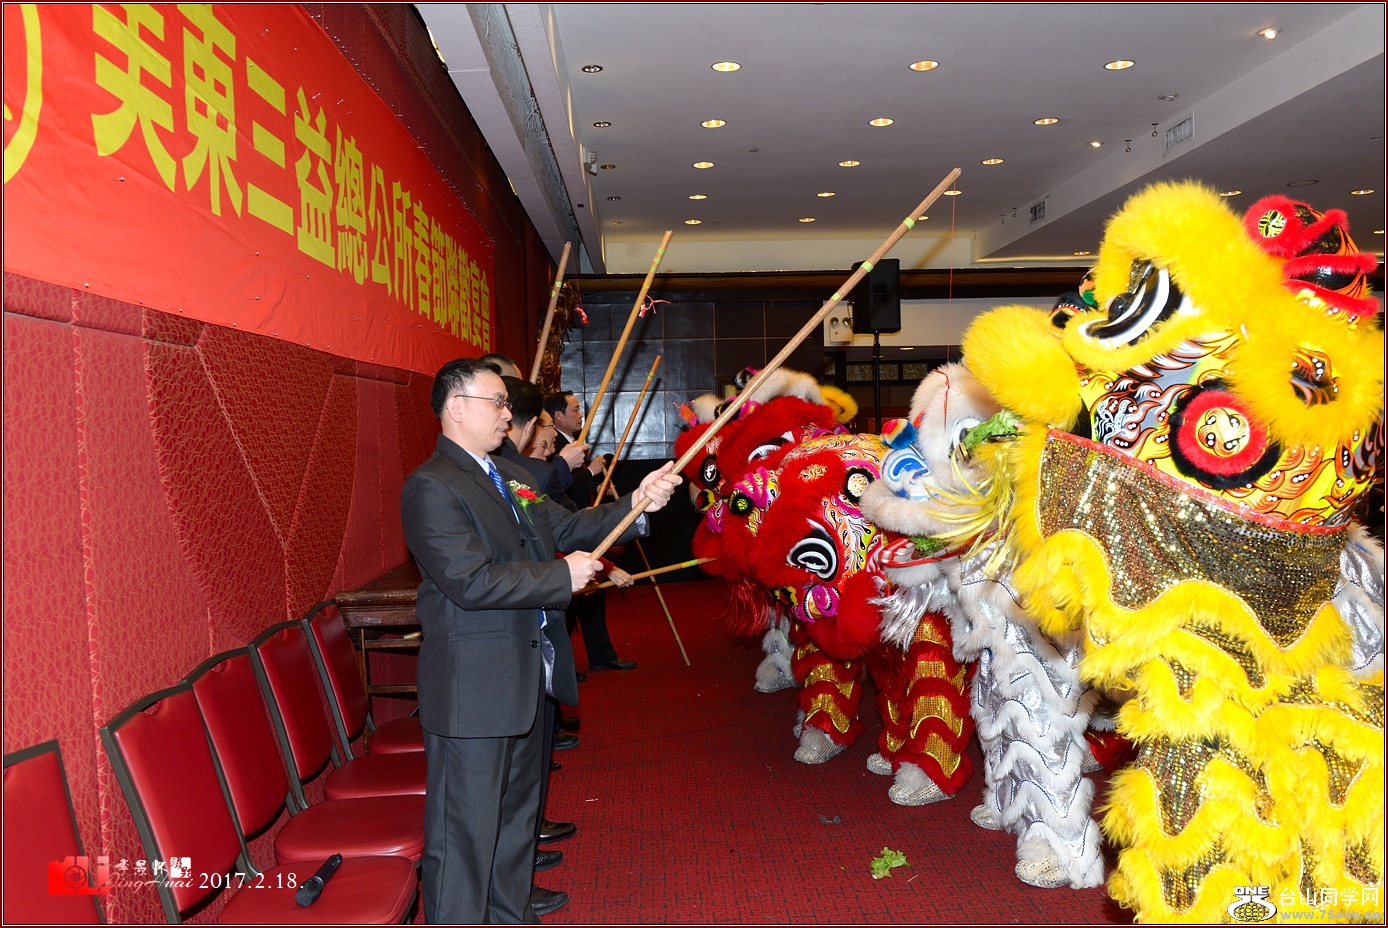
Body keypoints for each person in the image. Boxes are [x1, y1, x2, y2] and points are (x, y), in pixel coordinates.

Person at [401, 358, 680, 924]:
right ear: (455, 408)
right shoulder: (432, 486)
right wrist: (560, 576)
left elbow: (567, 527)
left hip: (528, 675)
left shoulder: (510, 475)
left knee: (515, 821)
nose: (508, 415)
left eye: (507, 405)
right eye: (497, 403)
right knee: (464, 835)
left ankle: (510, 915)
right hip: (475, 688)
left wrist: (637, 502)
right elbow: (470, 580)